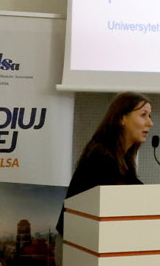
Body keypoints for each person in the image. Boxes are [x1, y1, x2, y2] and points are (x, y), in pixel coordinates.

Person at [57, 92, 150, 234]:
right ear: (122, 118)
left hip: (91, 238)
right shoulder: (100, 155)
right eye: (143, 115)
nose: (150, 122)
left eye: (149, 116)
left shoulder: (124, 158)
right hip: (75, 240)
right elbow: (116, 198)